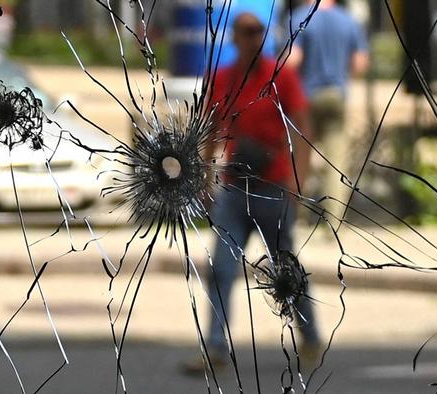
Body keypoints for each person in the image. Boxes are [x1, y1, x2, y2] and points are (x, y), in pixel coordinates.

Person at [183, 10, 320, 374]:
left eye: (259, 31)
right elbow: (211, 128)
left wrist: (297, 179)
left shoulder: (282, 77)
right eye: (247, 32)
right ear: (235, 38)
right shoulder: (223, 78)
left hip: (273, 189)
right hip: (233, 189)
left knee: (284, 268)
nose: (254, 37)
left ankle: (309, 333)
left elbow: (303, 128)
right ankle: (215, 348)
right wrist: (204, 177)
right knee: (222, 269)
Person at [286, 0, 370, 222]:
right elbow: (360, 62)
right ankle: (334, 222)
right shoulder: (348, 20)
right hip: (336, 95)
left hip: (306, 98)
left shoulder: (301, 17)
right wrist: (341, 74)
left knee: (300, 159)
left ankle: (297, 216)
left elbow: (294, 59)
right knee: (336, 161)